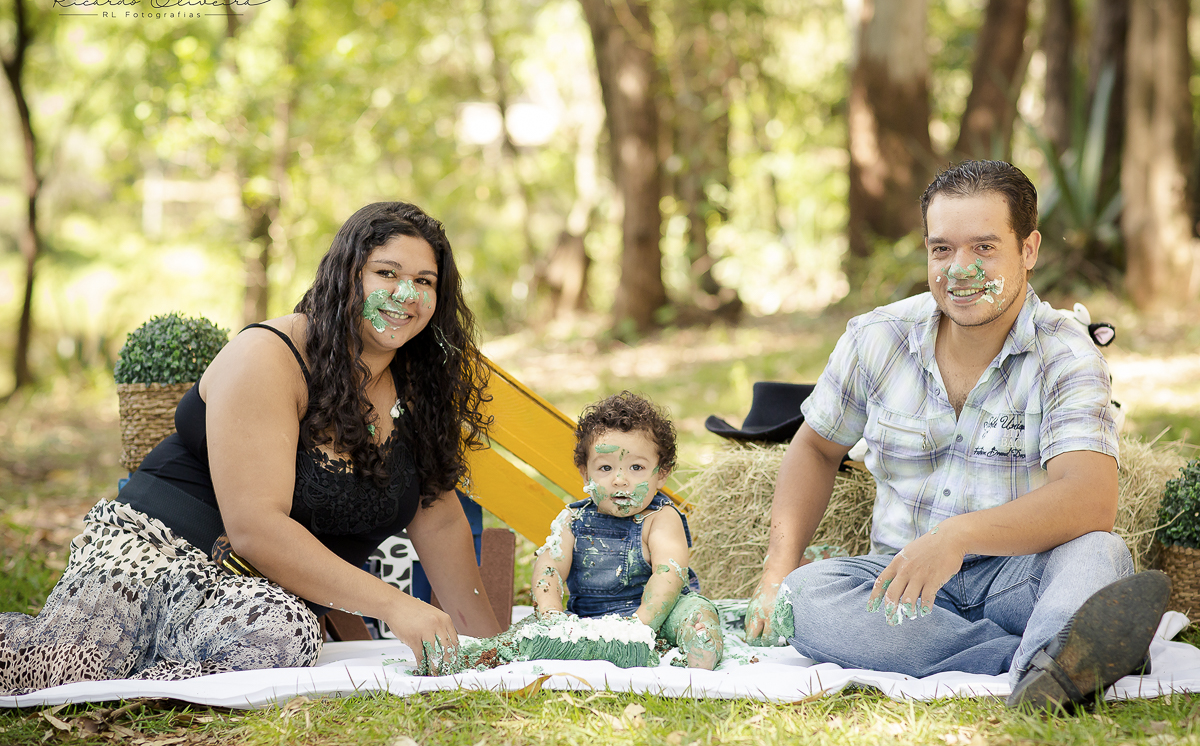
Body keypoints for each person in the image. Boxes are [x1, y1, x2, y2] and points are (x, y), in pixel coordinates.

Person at [0, 202, 502, 693]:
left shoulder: (420, 389)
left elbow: (437, 520)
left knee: (282, 632)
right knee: (58, 664)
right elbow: (254, 529)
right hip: (153, 559)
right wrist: (395, 605)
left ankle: (138, 681)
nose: (406, 294)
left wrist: (496, 654)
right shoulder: (270, 355)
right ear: (348, 276)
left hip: (261, 609)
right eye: (386, 273)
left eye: (425, 281)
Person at [742, 160, 1170, 710]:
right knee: (806, 598)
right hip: (904, 584)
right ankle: (1048, 660)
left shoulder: (1065, 352)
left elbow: (1091, 499)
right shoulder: (877, 338)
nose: (959, 270)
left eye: (984, 248)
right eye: (942, 249)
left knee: (1099, 553)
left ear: (1029, 250)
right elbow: (815, 448)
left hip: (1021, 575)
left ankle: (1058, 647)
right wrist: (776, 573)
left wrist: (959, 536)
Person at [532, 392, 724, 670]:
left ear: (661, 473)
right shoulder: (572, 520)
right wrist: (552, 615)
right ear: (585, 473)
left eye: (636, 467)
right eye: (606, 467)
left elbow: (669, 573)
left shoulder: (660, 518)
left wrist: (640, 625)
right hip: (591, 620)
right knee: (535, 632)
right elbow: (548, 569)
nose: (620, 480)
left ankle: (700, 642)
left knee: (695, 610)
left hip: (658, 614)